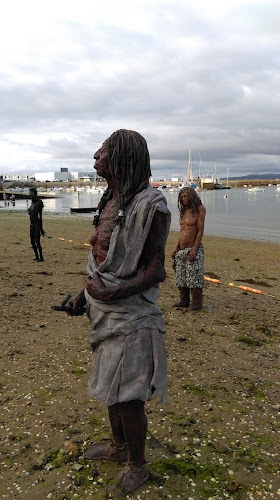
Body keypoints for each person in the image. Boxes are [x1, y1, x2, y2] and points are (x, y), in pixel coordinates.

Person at [67, 129, 171, 498]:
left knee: (129, 395)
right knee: (111, 387)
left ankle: (137, 466)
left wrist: (112, 292)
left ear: (123, 156)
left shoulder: (151, 206)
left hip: (132, 315)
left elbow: (156, 270)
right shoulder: (110, 198)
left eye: (105, 151)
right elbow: (100, 259)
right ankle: (119, 446)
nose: (95, 155)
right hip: (103, 312)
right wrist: (84, 293)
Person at [172, 186, 206, 310]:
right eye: (182, 197)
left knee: (194, 277)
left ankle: (197, 303)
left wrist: (195, 249)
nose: (184, 199)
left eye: (186, 196)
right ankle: (184, 300)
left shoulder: (200, 209)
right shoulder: (184, 211)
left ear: (192, 196)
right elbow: (182, 231)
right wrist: (176, 248)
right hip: (181, 250)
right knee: (181, 276)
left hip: (193, 249)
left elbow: (200, 231)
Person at [28, 187, 45, 261]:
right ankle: (36, 256)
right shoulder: (32, 203)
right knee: (32, 241)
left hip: (37, 223)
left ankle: (41, 257)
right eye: (30, 195)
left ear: (35, 194)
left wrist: (41, 229)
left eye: (32, 195)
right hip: (31, 223)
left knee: (37, 241)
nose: (31, 197)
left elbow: (40, 216)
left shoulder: (39, 202)